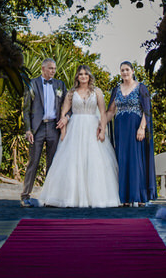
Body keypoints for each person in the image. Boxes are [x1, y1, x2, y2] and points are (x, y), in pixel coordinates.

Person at [34, 64, 121, 208]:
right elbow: (64, 113)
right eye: (80, 74)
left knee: (95, 162)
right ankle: (69, 197)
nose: (83, 77)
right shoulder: (71, 92)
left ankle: (96, 197)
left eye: (85, 74)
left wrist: (102, 129)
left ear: (89, 76)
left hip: (92, 127)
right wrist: (63, 132)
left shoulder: (97, 92)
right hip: (75, 127)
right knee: (72, 162)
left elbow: (103, 112)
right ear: (77, 77)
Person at [106, 60, 156, 206]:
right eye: (122, 70)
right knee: (123, 160)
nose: (125, 72)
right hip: (121, 129)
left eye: (127, 69)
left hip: (135, 128)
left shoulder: (141, 88)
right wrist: (100, 124)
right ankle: (125, 198)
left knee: (136, 161)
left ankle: (139, 196)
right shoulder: (116, 89)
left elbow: (147, 110)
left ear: (133, 71)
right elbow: (110, 111)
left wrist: (142, 128)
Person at [20, 58, 69, 206]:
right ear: (42, 69)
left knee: (52, 164)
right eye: (50, 68)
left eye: (54, 68)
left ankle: (50, 197)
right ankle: (25, 196)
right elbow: (26, 109)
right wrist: (28, 130)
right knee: (33, 162)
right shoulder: (32, 84)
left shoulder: (60, 85)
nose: (53, 71)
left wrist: (66, 118)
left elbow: (68, 106)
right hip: (37, 128)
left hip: (54, 128)